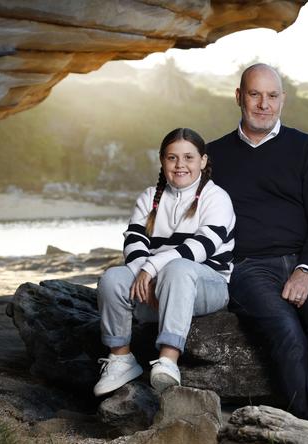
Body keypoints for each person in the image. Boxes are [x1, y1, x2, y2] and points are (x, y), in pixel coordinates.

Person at [207, 63, 308, 429]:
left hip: (307, 261)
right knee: (286, 330)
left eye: (272, 96)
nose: (264, 104)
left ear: (283, 99)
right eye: (255, 94)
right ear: (240, 97)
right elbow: (185, 210)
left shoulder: (305, 148)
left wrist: (307, 269)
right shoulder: (214, 155)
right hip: (250, 266)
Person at [94, 128, 235, 396]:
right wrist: (143, 277)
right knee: (112, 278)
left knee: (178, 269)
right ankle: (121, 358)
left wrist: (151, 268)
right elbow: (134, 241)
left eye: (189, 158)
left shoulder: (217, 198)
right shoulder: (149, 197)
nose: (180, 165)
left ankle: (168, 360)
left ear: (203, 161)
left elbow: (201, 248)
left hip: (207, 287)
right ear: (162, 161)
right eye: (172, 158)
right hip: (156, 289)